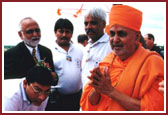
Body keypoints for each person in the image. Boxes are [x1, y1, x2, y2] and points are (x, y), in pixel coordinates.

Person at [80, 4, 164, 111]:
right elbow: (89, 103)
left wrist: (111, 91)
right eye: (112, 34)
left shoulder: (153, 63)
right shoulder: (107, 60)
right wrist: (97, 89)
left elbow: (153, 108)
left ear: (137, 37)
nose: (115, 40)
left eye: (121, 34)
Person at [45, 18, 83, 111]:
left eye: (67, 32)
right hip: (56, 99)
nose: (64, 35)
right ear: (55, 32)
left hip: (76, 98)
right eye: (61, 31)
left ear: (72, 34)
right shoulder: (48, 51)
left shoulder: (79, 50)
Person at [82, 7, 112, 87]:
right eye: (86, 24)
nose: (88, 27)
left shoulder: (111, 46)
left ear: (103, 24)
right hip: (85, 96)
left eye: (93, 23)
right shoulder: (86, 48)